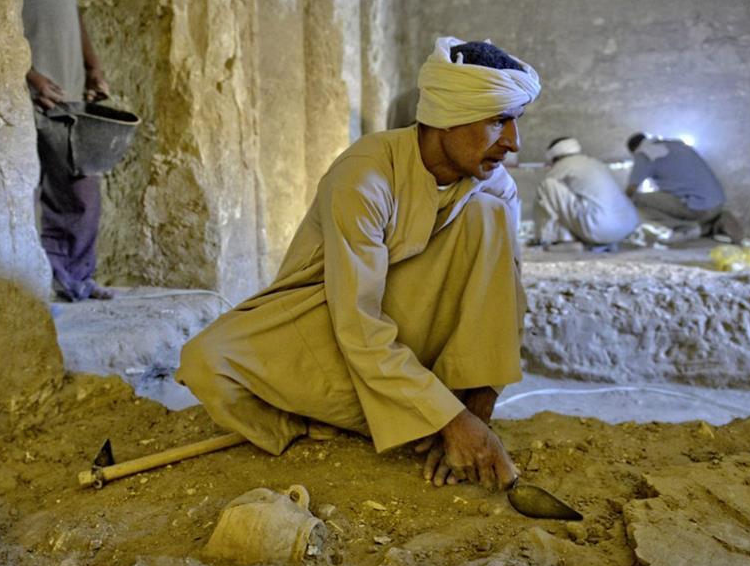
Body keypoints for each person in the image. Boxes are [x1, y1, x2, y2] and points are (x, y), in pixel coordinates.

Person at [177, 38, 540, 492]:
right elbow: (358, 321)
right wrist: (448, 420)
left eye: (516, 121)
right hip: (333, 315)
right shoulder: (365, 175)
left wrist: (474, 417)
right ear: (448, 117)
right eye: (498, 121)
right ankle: (353, 420)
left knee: (489, 214)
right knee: (206, 361)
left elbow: (502, 307)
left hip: (417, 335)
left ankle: (414, 411)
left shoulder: (495, 189)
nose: (513, 142)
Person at [22, 0, 114, 301]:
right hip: (26, 88)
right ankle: (32, 288)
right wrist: (30, 75)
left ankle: (74, 278)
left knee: (80, 188)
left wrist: (93, 67)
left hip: (66, 89)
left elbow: (70, 9)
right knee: (26, 193)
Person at [625, 133, 744, 244]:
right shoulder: (676, 144)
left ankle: (684, 228)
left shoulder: (645, 153)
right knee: (667, 195)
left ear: (634, 150)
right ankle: (711, 225)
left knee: (635, 200)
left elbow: (631, 190)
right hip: (716, 204)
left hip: (696, 207)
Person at [534, 137, 639, 249]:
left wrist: (541, 234)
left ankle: (554, 240)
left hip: (600, 228)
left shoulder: (562, 166)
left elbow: (550, 201)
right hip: (626, 227)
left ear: (552, 155)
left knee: (547, 186)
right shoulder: (594, 162)